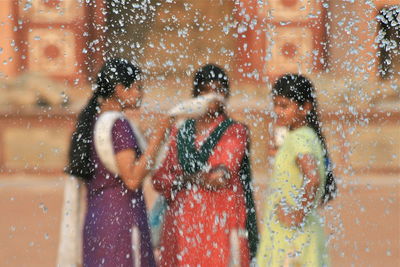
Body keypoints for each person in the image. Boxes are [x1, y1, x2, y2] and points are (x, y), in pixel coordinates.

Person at [66, 58, 171, 266]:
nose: (141, 94)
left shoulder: (93, 121)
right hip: (121, 222)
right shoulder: (119, 125)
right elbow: (131, 179)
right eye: (137, 88)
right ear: (120, 89)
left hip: (97, 220)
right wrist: (159, 136)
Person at [152, 64, 258, 267]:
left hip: (220, 225)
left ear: (226, 94)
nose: (213, 96)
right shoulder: (180, 132)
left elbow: (220, 178)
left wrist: (184, 178)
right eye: (206, 90)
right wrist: (197, 178)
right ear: (196, 95)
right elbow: (159, 180)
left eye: (219, 90)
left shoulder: (235, 131)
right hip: (181, 228)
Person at [256, 74, 336, 266]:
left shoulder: (298, 139)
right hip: (302, 234)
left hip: (290, 241)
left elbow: (313, 178)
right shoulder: (307, 135)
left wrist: (297, 214)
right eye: (275, 105)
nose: (277, 111)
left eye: (284, 106)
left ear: (306, 107)